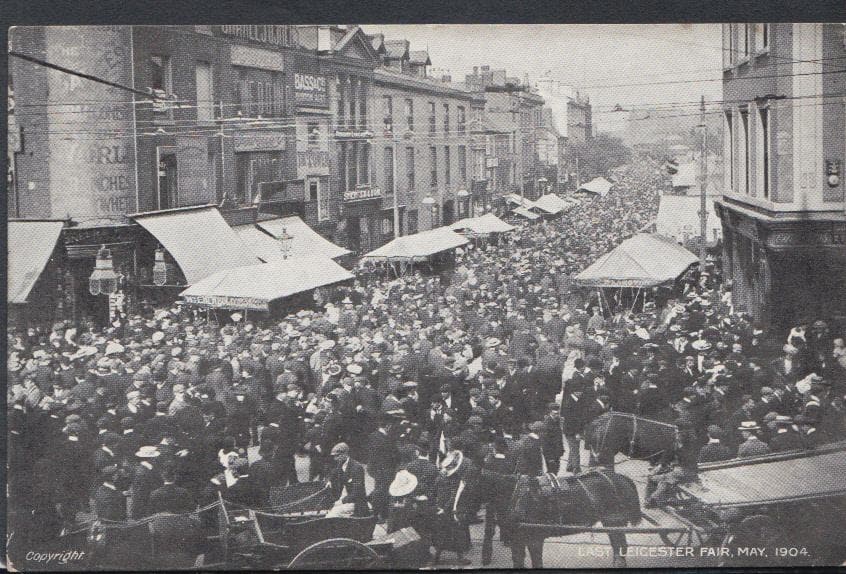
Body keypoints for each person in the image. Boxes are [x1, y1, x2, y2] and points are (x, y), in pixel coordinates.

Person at [326, 442, 369, 517]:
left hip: (356, 503)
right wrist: (329, 481)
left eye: (337, 456)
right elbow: (333, 473)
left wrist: (341, 502)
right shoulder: (340, 464)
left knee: (333, 513)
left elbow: (357, 492)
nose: (335, 458)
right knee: (330, 510)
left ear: (345, 454)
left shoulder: (356, 468)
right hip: (345, 499)